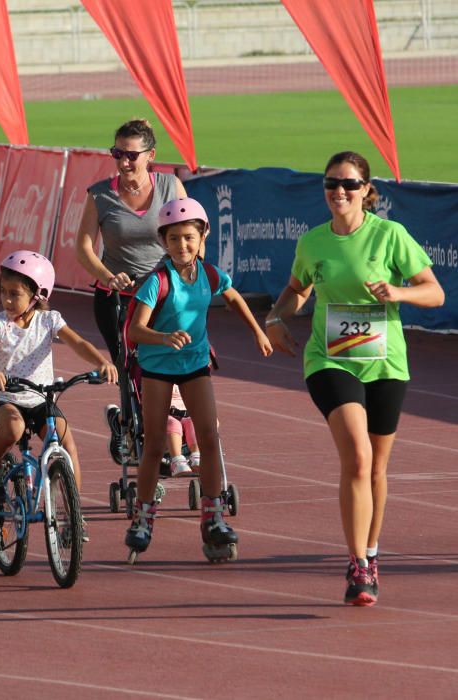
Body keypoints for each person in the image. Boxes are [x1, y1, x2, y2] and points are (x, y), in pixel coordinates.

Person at [265, 151, 444, 606]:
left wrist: (397, 291)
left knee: (378, 469)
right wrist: (275, 317)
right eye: (331, 183)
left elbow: (435, 291)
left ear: (367, 190)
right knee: (359, 459)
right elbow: (297, 290)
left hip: (385, 363)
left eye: (349, 184)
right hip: (331, 359)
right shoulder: (313, 242)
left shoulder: (390, 236)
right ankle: (357, 564)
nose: (338, 192)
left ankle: (372, 551)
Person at [124, 198, 272, 562]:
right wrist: (164, 337)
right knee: (156, 443)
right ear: (164, 241)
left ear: (203, 235)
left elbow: (234, 297)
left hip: (195, 365)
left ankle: (213, 516)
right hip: (158, 368)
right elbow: (135, 330)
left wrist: (258, 331)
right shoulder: (157, 281)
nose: (182, 246)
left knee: (208, 437)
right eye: (174, 239)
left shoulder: (208, 274)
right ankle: (143, 518)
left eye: (189, 237)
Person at [0, 251, 117, 540]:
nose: (6, 300)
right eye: (2, 292)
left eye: (14, 294)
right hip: (8, 398)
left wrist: (101, 362)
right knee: (13, 429)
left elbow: (77, 342)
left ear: (38, 295)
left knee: (66, 441)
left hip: (41, 398)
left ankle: (72, 514)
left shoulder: (50, 320)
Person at [74, 118, 188, 461]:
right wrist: (108, 276)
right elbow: (83, 246)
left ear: (150, 155)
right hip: (116, 298)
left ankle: (173, 429)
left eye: (131, 155)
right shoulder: (100, 194)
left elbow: (193, 233)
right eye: (117, 153)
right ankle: (128, 425)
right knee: (127, 365)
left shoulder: (171, 187)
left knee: (171, 360)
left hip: (162, 296)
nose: (124, 162)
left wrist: (185, 275)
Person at [165, 385, 198, 477]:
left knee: (195, 422)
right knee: (173, 423)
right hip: (163, 413)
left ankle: (196, 456)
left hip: (187, 411)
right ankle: (177, 460)